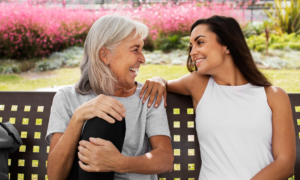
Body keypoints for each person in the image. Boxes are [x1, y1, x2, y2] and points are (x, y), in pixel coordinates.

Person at [140, 15, 296, 180]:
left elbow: (285, 164)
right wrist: (158, 80)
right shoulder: (198, 84)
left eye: (200, 42)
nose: (192, 52)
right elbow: (162, 82)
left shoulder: (274, 96)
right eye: (191, 46)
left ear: (227, 45)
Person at [45, 15, 173, 180]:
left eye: (142, 50)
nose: (142, 58)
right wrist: (78, 117)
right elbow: (55, 176)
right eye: (135, 49)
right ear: (105, 55)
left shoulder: (147, 96)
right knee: (101, 116)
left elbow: (165, 160)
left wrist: (118, 163)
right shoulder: (67, 98)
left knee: (106, 114)